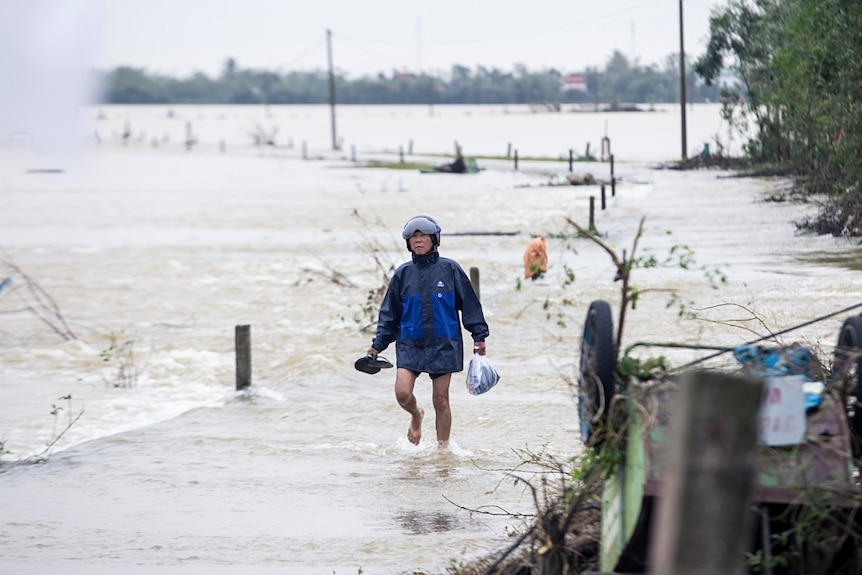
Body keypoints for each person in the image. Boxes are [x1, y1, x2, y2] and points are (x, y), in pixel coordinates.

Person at [365, 214, 489, 449]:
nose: (418, 241)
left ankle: (443, 451)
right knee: (402, 393)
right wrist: (377, 345)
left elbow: (470, 305)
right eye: (414, 237)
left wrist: (479, 336)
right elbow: (389, 314)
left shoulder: (450, 269)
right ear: (408, 242)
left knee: (440, 400)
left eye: (423, 236)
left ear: (434, 239)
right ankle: (416, 415)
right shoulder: (402, 274)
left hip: (444, 343)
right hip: (410, 343)